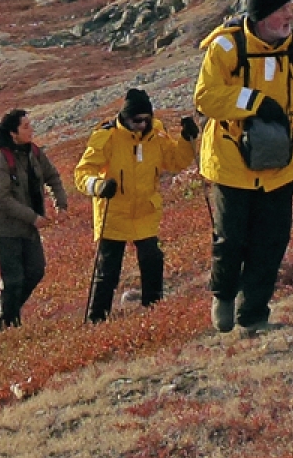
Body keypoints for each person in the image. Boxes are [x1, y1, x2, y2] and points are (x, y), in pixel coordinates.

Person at [193, 0, 293, 332]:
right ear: (261, 18)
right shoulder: (226, 48)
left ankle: (253, 315)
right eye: (282, 11)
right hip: (230, 164)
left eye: (289, 9)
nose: (290, 16)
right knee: (230, 240)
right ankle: (224, 294)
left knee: (270, 245)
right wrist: (254, 102)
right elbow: (206, 96)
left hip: (282, 165)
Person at [72, 89, 199, 322]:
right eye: (136, 120)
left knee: (152, 260)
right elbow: (82, 172)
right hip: (114, 214)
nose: (142, 124)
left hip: (145, 212)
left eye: (146, 119)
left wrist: (186, 140)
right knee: (107, 271)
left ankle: (154, 311)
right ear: (125, 117)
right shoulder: (106, 137)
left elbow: (175, 161)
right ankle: (96, 320)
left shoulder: (157, 135)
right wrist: (98, 186)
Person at [0, 108, 67, 329]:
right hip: (3, 228)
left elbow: (52, 176)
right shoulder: (0, 159)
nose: (31, 130)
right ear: (13, 133)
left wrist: (61, 205)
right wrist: (33, 218)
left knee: (36, 271)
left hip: (27, 226)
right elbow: (1, 199)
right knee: (13, 279)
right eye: (26, 126)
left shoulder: (34, 153)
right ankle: (8, 325)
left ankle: (3, 307)